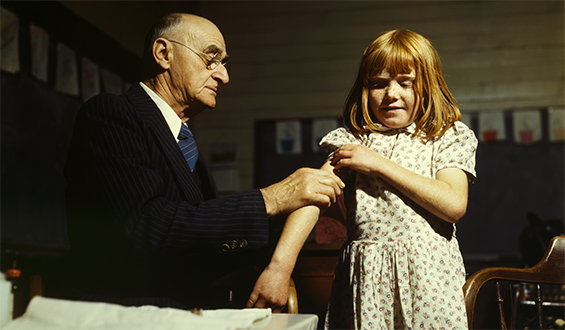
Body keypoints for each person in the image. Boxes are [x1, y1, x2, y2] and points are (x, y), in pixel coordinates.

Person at [61, 13, 344, 311]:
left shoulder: (183, 141)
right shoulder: (111, 115)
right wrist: (272, 199)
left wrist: (279, 258)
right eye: (211, 59)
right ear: (163, 54)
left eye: (224, 64)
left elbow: (200, 238)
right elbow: (146, 226)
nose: (224, 76)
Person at [256, 29, 478, 329]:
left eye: (405, 82)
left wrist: (379, 165)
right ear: (365, 89)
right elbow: (312, 199)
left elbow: (453, 204)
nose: (391, 94)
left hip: (429, 281)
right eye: (379, 84)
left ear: (426, 86)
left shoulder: (445, 136)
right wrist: (279, 269)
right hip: (365, 281)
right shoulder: (353, 142)